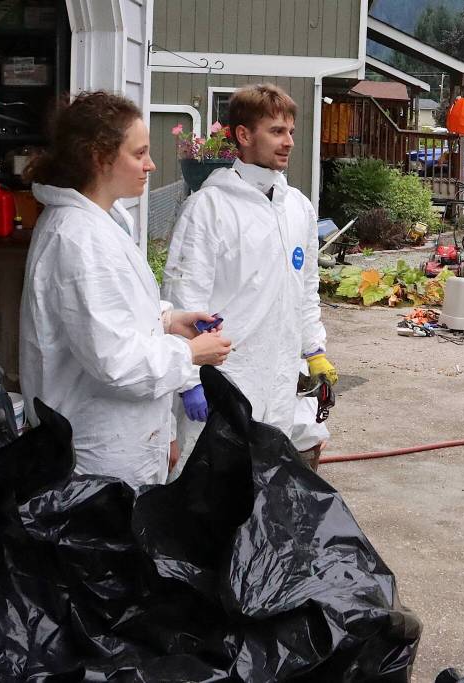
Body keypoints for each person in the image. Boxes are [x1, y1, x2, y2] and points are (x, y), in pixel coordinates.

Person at [20, 91, 231, 488]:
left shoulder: (104, 221)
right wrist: (190, 354)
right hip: (98, 451)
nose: (150, 165)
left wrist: (168, 320)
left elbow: (112, 316)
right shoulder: (79, 240)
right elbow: (114, 363)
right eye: (139, 154)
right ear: (100, 158)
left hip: (121, 438)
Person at [162, 84, 333, 463]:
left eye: (290, 131)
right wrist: (189, 381)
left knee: (266, 489)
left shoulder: (297, 209)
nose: (288, 141)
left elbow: (305, 289)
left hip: (280, 377)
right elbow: (183, 299)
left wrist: (314, 349)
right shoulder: (209, 208)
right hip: (225, 381)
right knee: (211, 495)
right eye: (276, 131)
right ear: (243, 135)